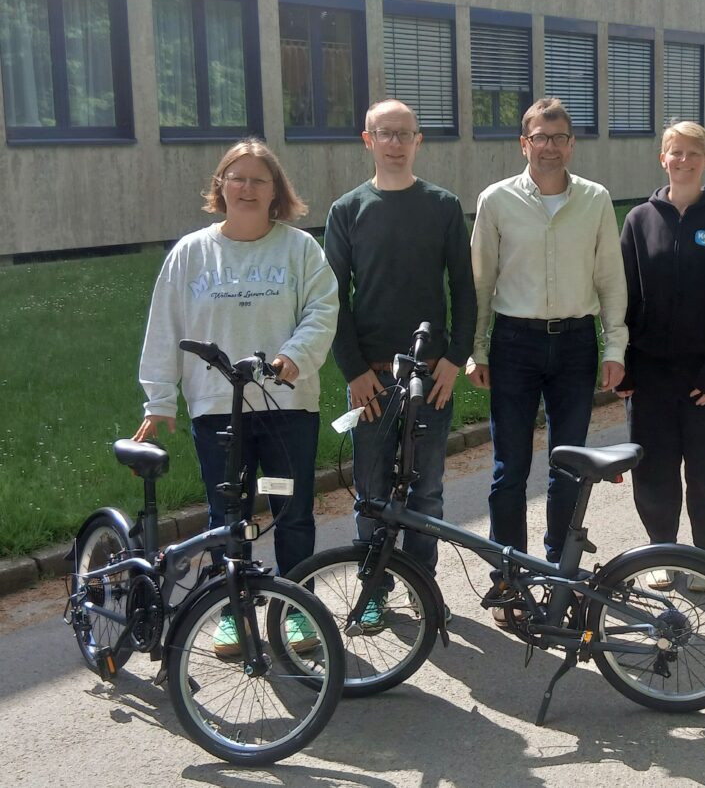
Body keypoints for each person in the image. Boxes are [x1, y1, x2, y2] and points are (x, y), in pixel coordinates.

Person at [136, 139, 338, 652]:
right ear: (220, 186)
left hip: (287, 409)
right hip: (216, 411)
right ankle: (232, 608)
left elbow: (322, 309)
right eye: (237, 178)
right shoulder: (191, 252)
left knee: (290, 509)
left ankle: (296, 608)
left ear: (276, 192)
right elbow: (165, 326)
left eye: (259, 180)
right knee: (228, 514)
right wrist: (159, 400)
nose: (247, 188)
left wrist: (294, 355)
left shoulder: (299, 249)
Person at [467, 97, 627, 623]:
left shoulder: (596, 199)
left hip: (577, 343)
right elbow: (481, 282)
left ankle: (561, 571)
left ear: (571, 143)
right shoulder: (496, 200)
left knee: (568, 467)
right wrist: (478, 349)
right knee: (509, 468)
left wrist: (614, 346)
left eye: (560, 137)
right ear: (524, 143)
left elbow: (610, 278)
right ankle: (509, 579)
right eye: (541, 137)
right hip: (514, 343)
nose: (551, 147)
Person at [324, 99, 475, 601]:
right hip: (370, 379)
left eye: (403, 134)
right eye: (383, 133)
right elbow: (333, 300)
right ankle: (374, 589)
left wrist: (455, 359)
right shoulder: (348, 210)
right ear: (367, 140)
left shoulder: (443, 206)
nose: (394, 143)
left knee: (426, 493)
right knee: (372, 494)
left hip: (431, 377)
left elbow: (465, 290)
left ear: (418, 141)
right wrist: (352, 371)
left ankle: (422, 587)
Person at [616, 122, 705, 591]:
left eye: (693, 153)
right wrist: (625, 364)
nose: (684, 160)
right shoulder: (638, 220)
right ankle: (663, 554)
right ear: (662, 159)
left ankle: (701, 558)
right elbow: (623, 299)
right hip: (650, 375)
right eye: (675, 152)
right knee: (653, 472)